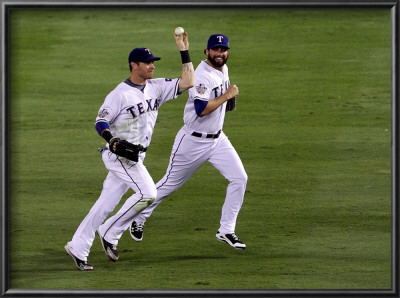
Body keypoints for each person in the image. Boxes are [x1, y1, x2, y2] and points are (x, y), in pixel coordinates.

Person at [64, 30, 194, 271]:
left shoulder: (155, 87)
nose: (152, 66)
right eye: (147, 63)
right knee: (148, 194)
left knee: (104, 204)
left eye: (153, 62)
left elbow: (188, 82)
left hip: (137, 155)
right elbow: (100, 121)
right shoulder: (119, 94)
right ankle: (110, 232)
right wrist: (111, 138)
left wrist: (183, 50)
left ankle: (77, 245)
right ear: (134, 66)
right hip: (121, 155)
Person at [129, 33, 248, 250]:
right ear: (207, 52)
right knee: (168, 185)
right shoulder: (202, 75)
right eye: (216, 50)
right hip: (192, 142)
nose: (220, 53)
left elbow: (222, 100)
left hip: (218, 140)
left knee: (240, 178)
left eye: (223, 50)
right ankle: (138, 216)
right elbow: (201, 110)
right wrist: (227, 96)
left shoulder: (224, 69)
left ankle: (226, 230)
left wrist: (227, 100)